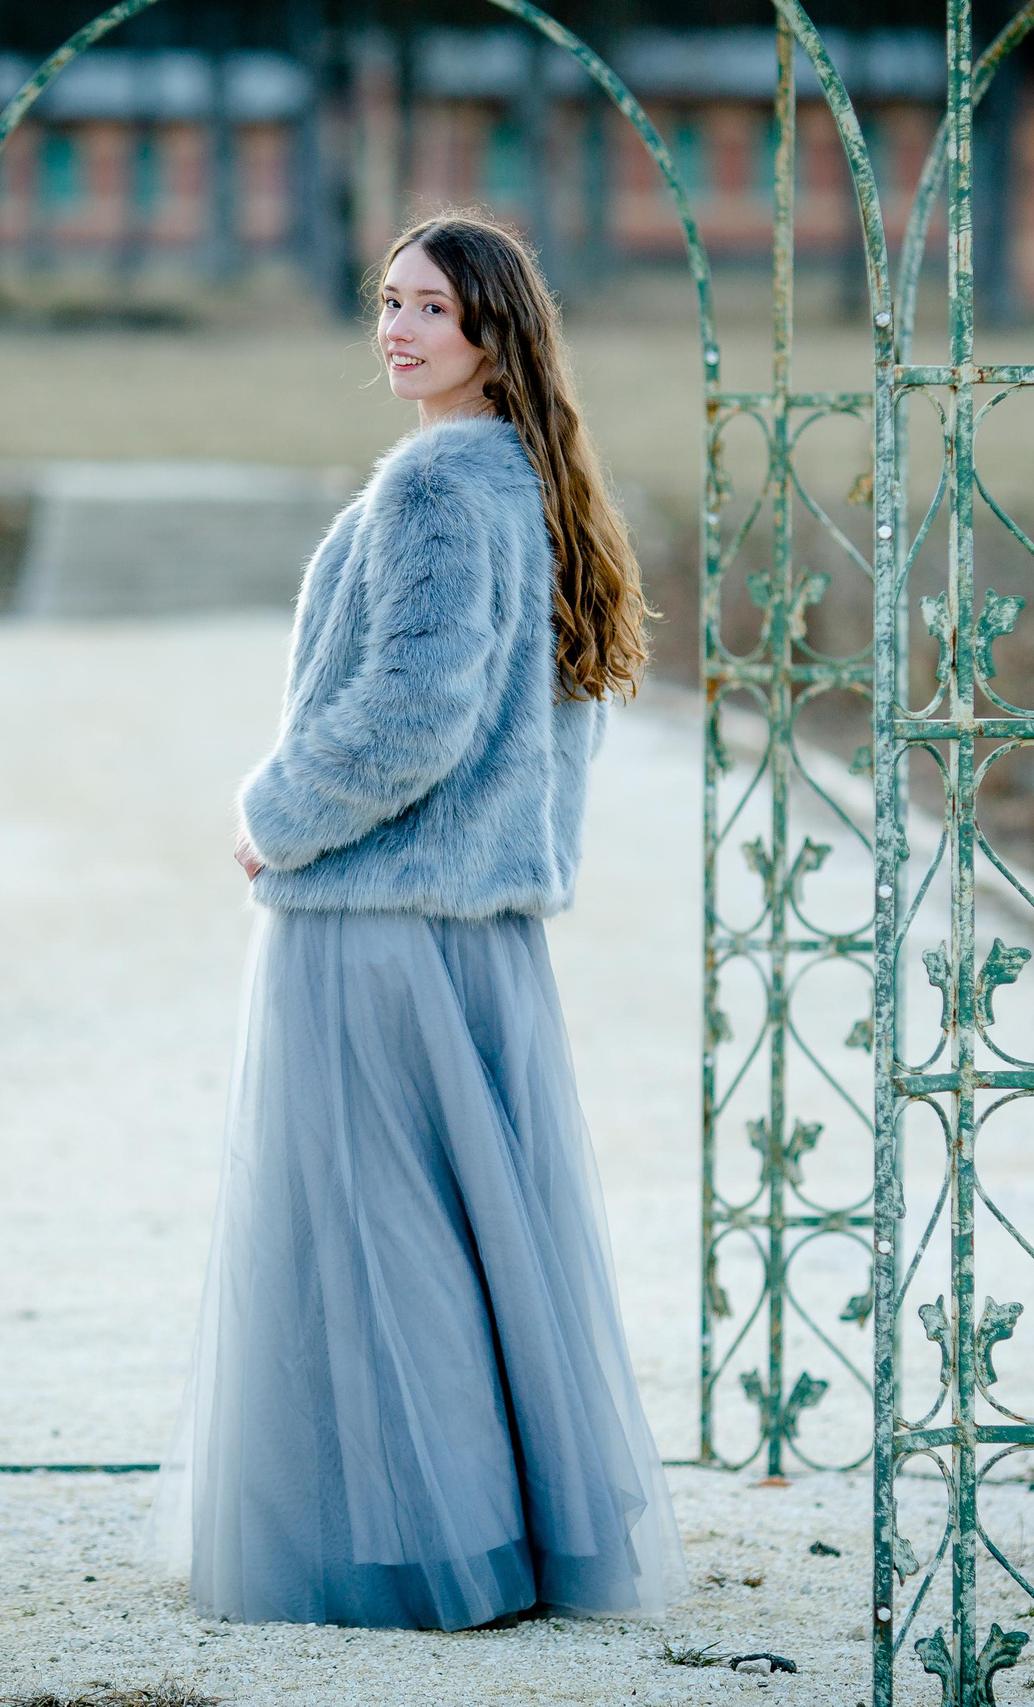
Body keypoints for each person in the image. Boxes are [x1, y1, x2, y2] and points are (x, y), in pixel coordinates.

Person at [144, 212, 687, 1631]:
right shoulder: (526, 480)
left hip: (378, 917)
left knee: (385, 1244)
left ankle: (419, 1552)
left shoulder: (441, 487)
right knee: (473, 1236)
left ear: (491, 336)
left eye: (427, 311)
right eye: (387, 303)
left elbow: (414, 714)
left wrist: (274, 817)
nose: (394, 330)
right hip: (468, 925)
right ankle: (499, 1536)